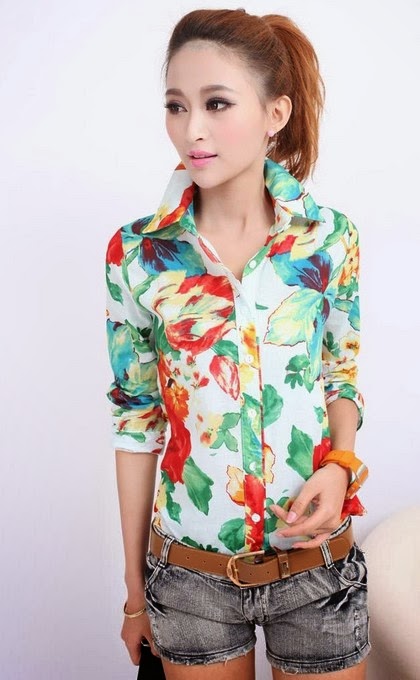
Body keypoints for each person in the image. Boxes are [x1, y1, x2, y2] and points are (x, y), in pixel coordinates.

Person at [105, 8, 370, 679]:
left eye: (216, 103)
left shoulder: (329, 239)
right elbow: (136, 421)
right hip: (190, 581)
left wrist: (341, 466)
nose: (191, 129)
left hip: (318, 567)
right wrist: (136, 595)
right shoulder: (137, 255)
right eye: (176, 105)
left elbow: (340, 376)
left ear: (275, 113)